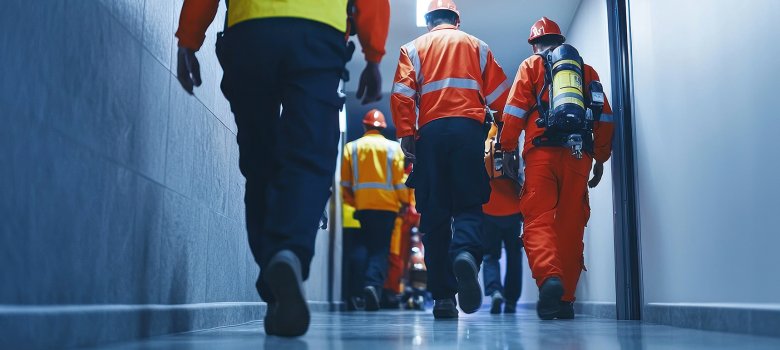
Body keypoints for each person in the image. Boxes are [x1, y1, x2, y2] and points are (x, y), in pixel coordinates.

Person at [174, 0, 390, 337]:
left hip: (250, 32)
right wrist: (373, 55)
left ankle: (275, 290)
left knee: (260, 163)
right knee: (309, 154)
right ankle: (287, 251)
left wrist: (188, 38)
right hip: (317, 34)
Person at [390, 0, 511, 319]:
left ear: (429, 20)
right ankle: (466, 255)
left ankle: (443, 298)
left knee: (434, 215)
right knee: (469, 203)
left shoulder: (412, 48)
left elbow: (402, 94)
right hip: (469, 132)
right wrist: (502, 133)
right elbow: (501, 96)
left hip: (429, 135)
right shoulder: (478, 46)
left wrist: (406, 133)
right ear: (456, 21)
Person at [499, 17, 615, 320]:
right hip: (579, 155)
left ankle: (549, 278)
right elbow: (604, 117)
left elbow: (513, 112)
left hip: (541, 154)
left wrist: (508, 149)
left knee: (538, 219)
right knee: (570, 225)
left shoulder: (530, 67)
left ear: (535, 44)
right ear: (560, 40)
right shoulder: (585, 71)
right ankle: (565, 300)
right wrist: (600, 157)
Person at [341, 109, 408, 311]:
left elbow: (345, 182)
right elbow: (399, 182)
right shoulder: (394, 149)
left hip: (362, 207)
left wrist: (354, 201)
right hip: (387, 208)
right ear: (383, 128)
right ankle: (372, 285)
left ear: (364, 126)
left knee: (360, 248)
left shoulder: (351, 148)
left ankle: (355, 294)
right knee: (380, 250)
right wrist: (404, 203)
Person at [482, 124, 524, 314]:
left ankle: (495, 292)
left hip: (489, 209)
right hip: (513, 210)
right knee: (514, 256)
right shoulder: (516, 140)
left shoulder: (485, 140)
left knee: (491, 255)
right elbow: (523, 175)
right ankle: (511, 301)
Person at [381, 163, 420, 309]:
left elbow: (411, 208)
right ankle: (392, 290)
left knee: (396, 259)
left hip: (400, 223)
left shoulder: (404, 176)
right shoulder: (406, 176)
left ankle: (393, 290)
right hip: (401, 223)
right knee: (397, 259)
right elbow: (412, 208)